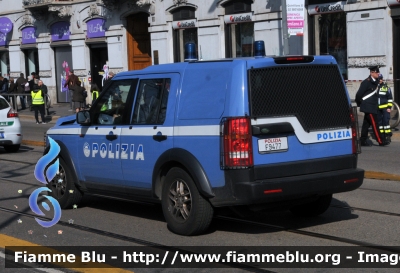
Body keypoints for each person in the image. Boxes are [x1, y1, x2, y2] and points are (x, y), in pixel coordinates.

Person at [355, 66, 388, 146]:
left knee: (366, 124)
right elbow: (359, 94)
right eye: (377, 72)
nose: (378, 74)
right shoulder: (366, 82)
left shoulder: (376, 81)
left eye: (378, 72)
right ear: (372, 73)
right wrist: (359, 103)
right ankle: (381, 141)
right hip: (368, 106)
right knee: (375, 124)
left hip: (372, 106)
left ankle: (362, 140)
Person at [377, 74, 393, 143]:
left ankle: (388, 135)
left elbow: (390, 98)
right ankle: (382, 136)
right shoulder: (375, 87)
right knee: (380, 123)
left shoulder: (386, 87)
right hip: (377, 109)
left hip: (385, 108)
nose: (380, 80)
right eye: (379, 79)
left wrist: (389, 107)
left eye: (381, 79)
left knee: (385, 122)